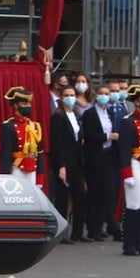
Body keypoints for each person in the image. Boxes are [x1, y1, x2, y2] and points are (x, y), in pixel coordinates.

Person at [82, 83, 120, 243]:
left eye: (107, 93)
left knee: (109, 192)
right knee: (95, 193)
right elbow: (89, 135)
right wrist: (107, 137)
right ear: (96, 95)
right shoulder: (89, 113)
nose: (105, 96)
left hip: (109, 156)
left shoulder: (110, 113)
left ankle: (109, 226)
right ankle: (93, 228)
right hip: (95, 157)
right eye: (102, 93)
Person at [49, 85, 86, 244]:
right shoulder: (58, 116)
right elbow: (57, 144)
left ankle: (78, 232)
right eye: (67, 95)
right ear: (62, 98)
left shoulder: (76, 114)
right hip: (65, 162)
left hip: (77, 162)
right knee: (62, 200)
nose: (70, 98)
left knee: (80, 197)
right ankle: (62, 234)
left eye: (72, 95)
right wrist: (61, 166)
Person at [0, 86, 43, 187]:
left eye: (29, 104)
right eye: (24, 104)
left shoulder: (35, 126)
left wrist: (40, 177)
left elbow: (39, 152)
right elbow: (5, 154)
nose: (28, 106)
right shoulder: (8, 126)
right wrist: (6, 177)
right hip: (17, 168)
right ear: (15, 105)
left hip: (32, 168)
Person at [116, 85, 140, 256]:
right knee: (134, 205)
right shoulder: (128, 121)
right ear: (137, 100)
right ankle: (129, 243)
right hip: (135, 163)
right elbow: (123, 149)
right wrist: (127, 173)